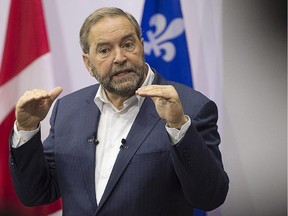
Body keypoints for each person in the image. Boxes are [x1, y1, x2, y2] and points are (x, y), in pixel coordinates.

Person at [9, 7, 229, 216]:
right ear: (88, 63)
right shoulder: (68, 110)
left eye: (128, 44)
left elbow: (209, 197)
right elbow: (37, 193)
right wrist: (27, 130)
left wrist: (178, 127)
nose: (120, 57)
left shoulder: (190, 107)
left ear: (142, 46)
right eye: (104, 50)